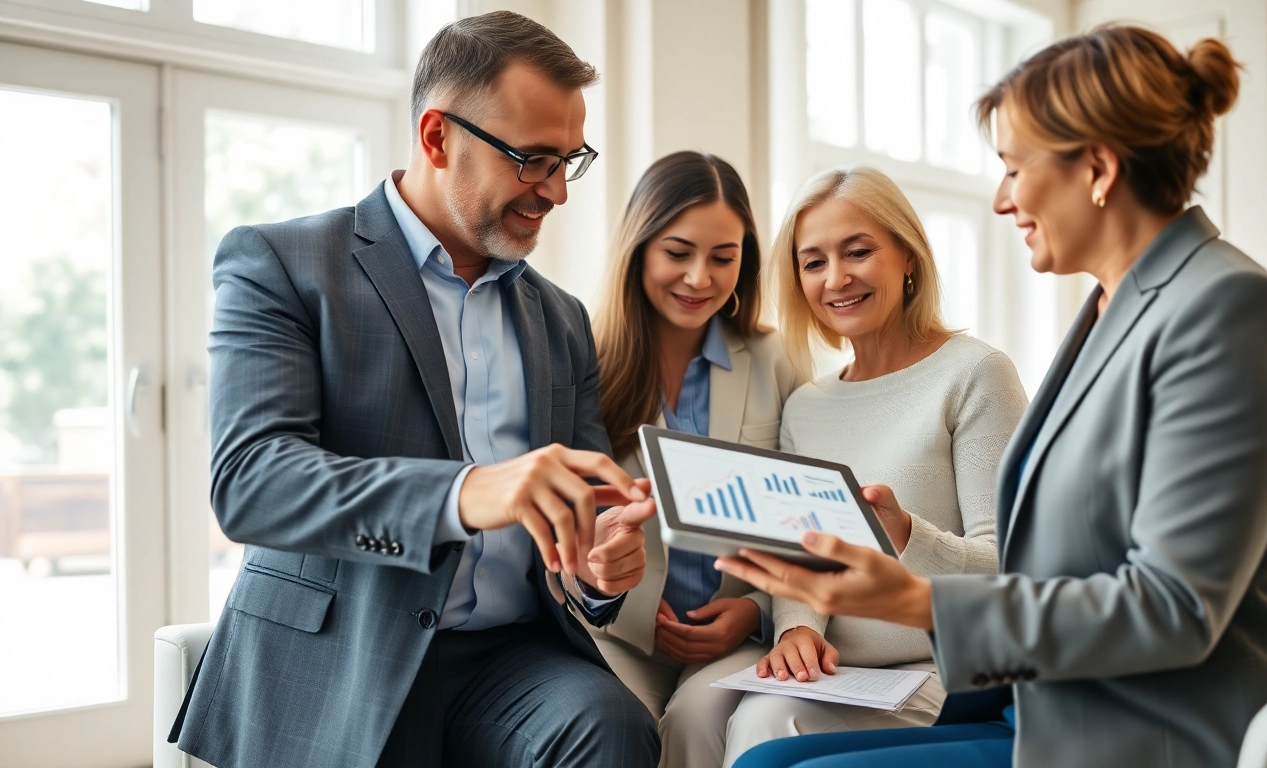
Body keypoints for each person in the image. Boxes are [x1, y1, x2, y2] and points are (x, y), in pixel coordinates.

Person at [722, 24, 1267, 768]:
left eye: (1015, 168)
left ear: (1099, 169)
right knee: (764, 758)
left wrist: (917, 601)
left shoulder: (1228, 312)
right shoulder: (1113, 311)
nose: (1001, 200)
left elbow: (1174, 608)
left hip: (1160, 731)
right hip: (1055, 706)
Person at [168, 12, 662, 768]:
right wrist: (464, 494)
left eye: (571, 160)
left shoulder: (561, 320)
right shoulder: (282, 264)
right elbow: (251, 484)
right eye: (533, 159)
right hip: (342, 655)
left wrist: (599, 566)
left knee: (611, 725)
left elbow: (590, 512)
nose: (557, 191)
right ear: (437, 138)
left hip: (508, 662)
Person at [722, 165, 1026, 766]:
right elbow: (799, 551)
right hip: (841, 671)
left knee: (766, 724)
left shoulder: (975, 374)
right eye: (814, 262)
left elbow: (1016, 565)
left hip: (942, 670)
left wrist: (911, 536)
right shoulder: (807, 405)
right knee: (694, 715)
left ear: (908, 256)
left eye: (858, 251)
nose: (837, 278)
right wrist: (797, 630)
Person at [590, 151, 800, 768]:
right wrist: (618, 600)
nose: (700, 278)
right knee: (610, 722)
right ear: (640, 249)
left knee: (693, 720)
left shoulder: (774, 360)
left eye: (723, 257)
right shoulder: (586, 360)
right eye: (678, 253)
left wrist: (755, 613)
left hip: (734, 631)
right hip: (622, 632)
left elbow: (806, 517)